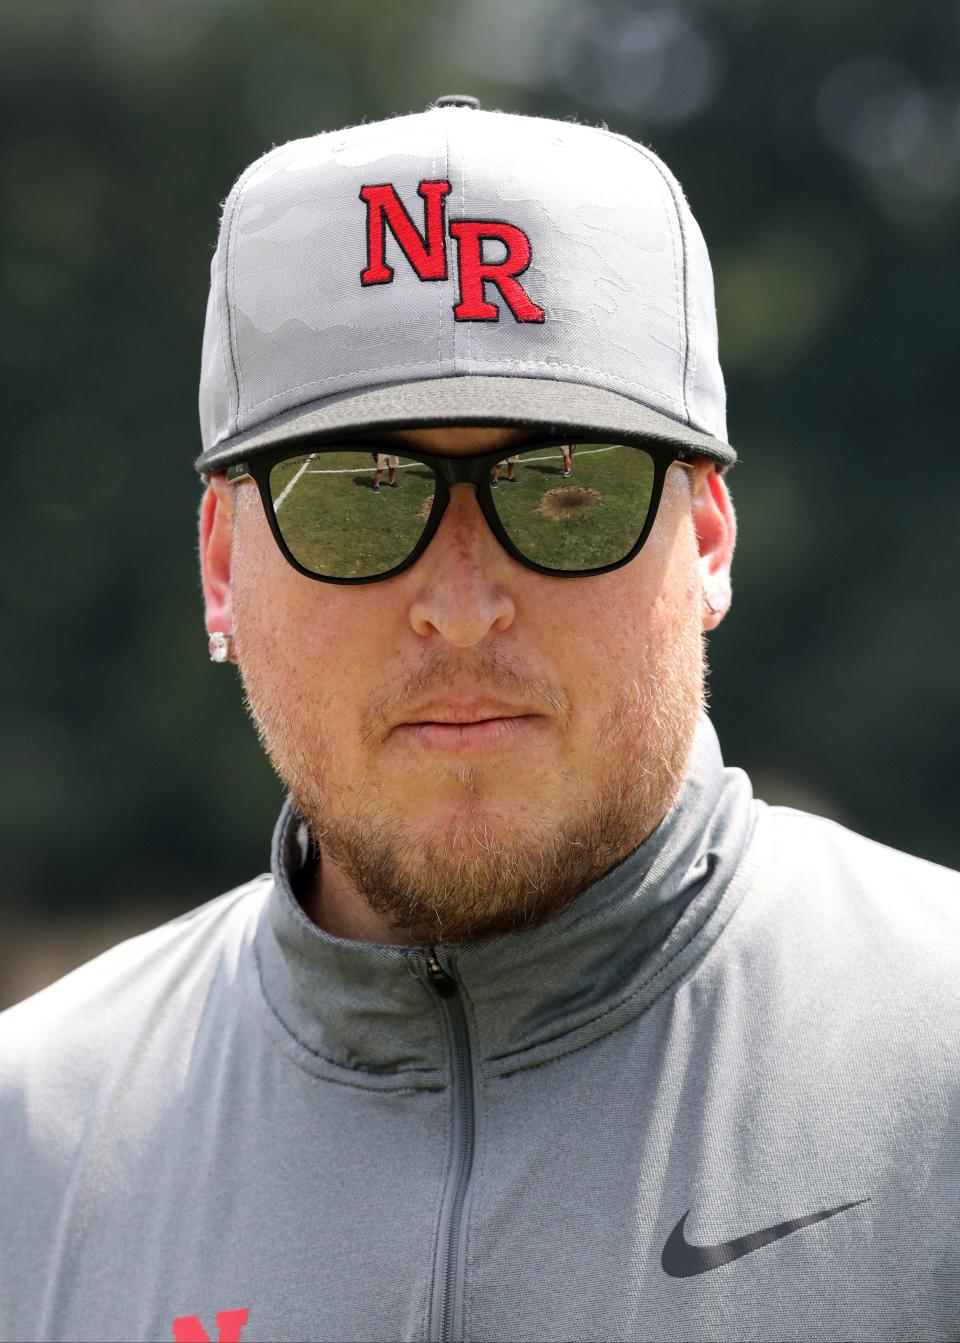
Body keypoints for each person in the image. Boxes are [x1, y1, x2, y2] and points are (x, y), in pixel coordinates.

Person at [1, 95, 958, 1343]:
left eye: (566, 488)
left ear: (710, 534)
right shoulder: (30, 1144)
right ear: (223, 563)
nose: (460, 607)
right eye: (358, 496)